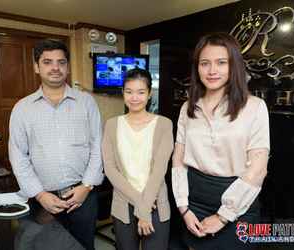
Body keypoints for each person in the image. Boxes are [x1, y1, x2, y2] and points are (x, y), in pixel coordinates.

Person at [172, 32, 270, 249]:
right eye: (205, 63)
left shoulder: (254, 107)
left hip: (238, 201)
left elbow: (258, 168)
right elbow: (178, 159)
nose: (212, 70)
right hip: (193, 198)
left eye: (221, 62)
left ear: (233, 66)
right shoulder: (187, 107)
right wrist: (183, 208)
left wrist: (224, 216)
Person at [9, 39, 103, 250]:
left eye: (61, 62)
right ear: (36, 66)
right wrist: (40, 195)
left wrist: (86, 186)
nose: (55, 68)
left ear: (67, 67)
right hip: (43, 199)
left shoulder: (86, 102)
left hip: (83, 197)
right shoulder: (22, 109)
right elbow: (18, 155)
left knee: (84, 245)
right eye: (47, 62)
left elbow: (98, 146)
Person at [102, 68, 173, 250]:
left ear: (149, 94)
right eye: (129, 92)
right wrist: (141, 205)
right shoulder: (111, 125)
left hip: (156, 203)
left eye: (141, 92)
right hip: (123, 204)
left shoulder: (164, 124)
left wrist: (145, 207)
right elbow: (110, 169)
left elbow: (159, 170)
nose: (135, 98)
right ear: (123, 93)